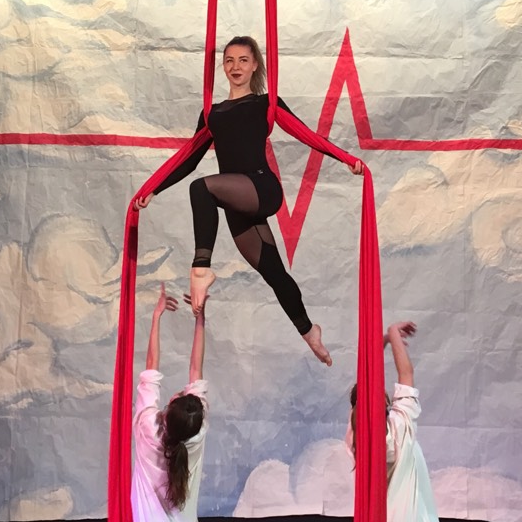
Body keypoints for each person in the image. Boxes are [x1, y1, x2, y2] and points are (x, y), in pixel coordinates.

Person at [135, 35, 362, 367]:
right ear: (222, 66)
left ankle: (200, 269)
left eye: (243, 60)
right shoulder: (212, 113)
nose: (235, 66)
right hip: (236, 201)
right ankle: (309, 330)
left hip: (261, 188)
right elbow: (190, 158)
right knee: (274, 272)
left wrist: (345, 159)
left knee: (202, 189)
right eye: (229, 60)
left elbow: (307, 135)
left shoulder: (265, 104)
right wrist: (154, 189)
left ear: (255, 65)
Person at [347, 321, 484, 522]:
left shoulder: (353, 437)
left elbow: (365, 388)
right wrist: (393, 335)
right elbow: (406, 372)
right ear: (388, 405)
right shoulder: (400, 427)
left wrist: (385, 340)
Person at [131, 283, 208, 522]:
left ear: (168, 410)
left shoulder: (148, 427)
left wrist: (157, 316)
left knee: (134, 518)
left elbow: (152, 366)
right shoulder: (197, 435)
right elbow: (196, 369)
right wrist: (200, 318)